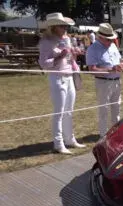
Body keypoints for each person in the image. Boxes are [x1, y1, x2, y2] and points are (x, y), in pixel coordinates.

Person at [38, 12, 85, 154]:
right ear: (53, 27)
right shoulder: (46, 42)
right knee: (59, 112)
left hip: (69, 75)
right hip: (57, 78)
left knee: (69, 111)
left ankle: (70, 139)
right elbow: (43, 64)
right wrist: (59, 56)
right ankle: (58, 143)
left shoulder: (66, 39)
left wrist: (74, 53)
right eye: (62, 25)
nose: (65, 28)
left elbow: (70, 59)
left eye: (65, 25)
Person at [86, 23, 123, 137]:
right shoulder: (93, 49)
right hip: (103, 82)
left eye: (111, 39)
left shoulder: (112, 46)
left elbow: (119, 60)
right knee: (104, 110)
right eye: (108, 39)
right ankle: (103, 135)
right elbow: (92, 69)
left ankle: (116, 133)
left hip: (117, 81)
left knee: (117, 108)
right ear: (100, 37)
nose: (111, 41)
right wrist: (111, 69)